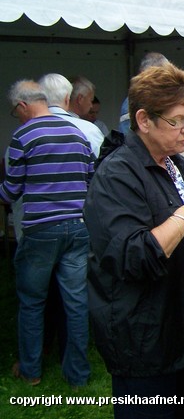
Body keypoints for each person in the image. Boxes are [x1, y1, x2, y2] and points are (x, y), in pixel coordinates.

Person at [84, 63, 184, 419]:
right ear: (143, 120)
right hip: (144, 339)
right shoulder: (116, 175)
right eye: (177, 121)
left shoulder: (175, 164)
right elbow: (133, 255)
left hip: (182, 329)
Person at [1, 80, 94, 388]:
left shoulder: (23, 135)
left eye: (16, 111)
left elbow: (11, 190)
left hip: (41, 229)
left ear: (23, 106)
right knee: (76, 301)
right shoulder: (77, 131)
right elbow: (90, 179)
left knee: (32, 301)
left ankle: (31, 371)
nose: (17, 117)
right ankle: (78, 374)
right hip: (79, 227)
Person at [39, 73, 105, 158]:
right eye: (91, 100)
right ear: (80, 99)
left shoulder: (28, 130)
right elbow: (101, 165)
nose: (91, 105)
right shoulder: (89, 130)